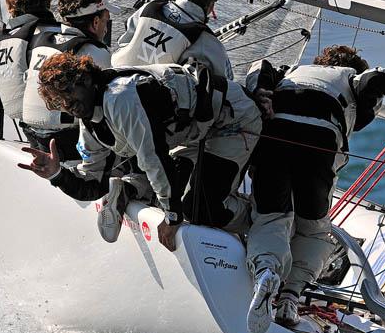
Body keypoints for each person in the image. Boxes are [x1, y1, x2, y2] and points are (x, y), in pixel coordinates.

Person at [243, 45, 385, 333]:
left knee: (271, 217)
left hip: (273, 138)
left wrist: (261, 93)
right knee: (313, 229)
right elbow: (376, 79)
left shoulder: (290, 72)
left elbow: (258, 67)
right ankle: (290, 299)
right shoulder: (351, 77)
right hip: (319, 141)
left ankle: (266, 272)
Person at [18, 52, 261, 247]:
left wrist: (172, 217)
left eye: (69, 91)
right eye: (58, 100)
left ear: (87, 79)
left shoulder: (120, 97)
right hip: (193, 135)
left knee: (199, 210)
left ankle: (262, 222)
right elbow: (93, 185)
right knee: (176, 196)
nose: (67, 104)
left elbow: (153, 158)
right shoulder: (89, 123)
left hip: (232, 120)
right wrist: (57, 174)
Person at [19, 0, 115, 158]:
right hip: (66, 143)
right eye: (105, 20)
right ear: (95, 22)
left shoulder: (40, 39)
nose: (106, 28)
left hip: (32, 135)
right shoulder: (94, 52)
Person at [113, 0, 233, 80]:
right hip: (147, 97)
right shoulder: (209, 42)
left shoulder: (148, 8)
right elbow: (226, 81)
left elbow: (124, 41)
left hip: (112, 85)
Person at [0, 0, 61, 123]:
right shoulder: (63, 35)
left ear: (11, 7)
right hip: (54, 124)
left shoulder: (3, 40)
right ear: (48, 1)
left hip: (21, 123)